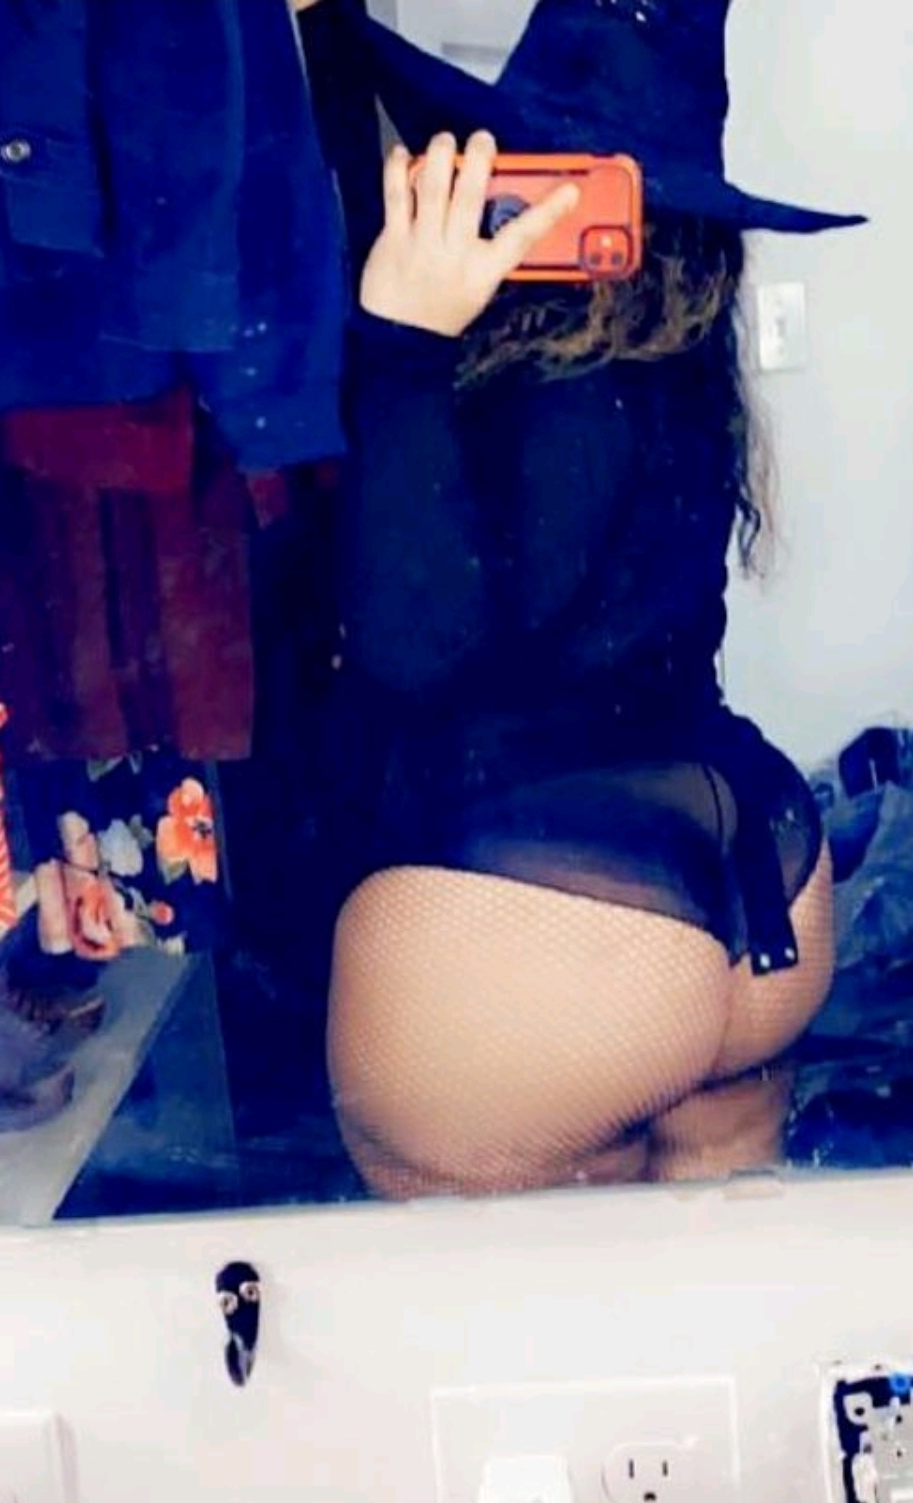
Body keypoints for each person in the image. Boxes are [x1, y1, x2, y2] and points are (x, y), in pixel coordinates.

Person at [321, 0, 866, 1196]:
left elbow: (417, 649)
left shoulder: (501, 371)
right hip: (756, 869)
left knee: (489, 1301)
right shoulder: (678, 361)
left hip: (545, 902)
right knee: (711, 1285)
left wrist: (400, 344)